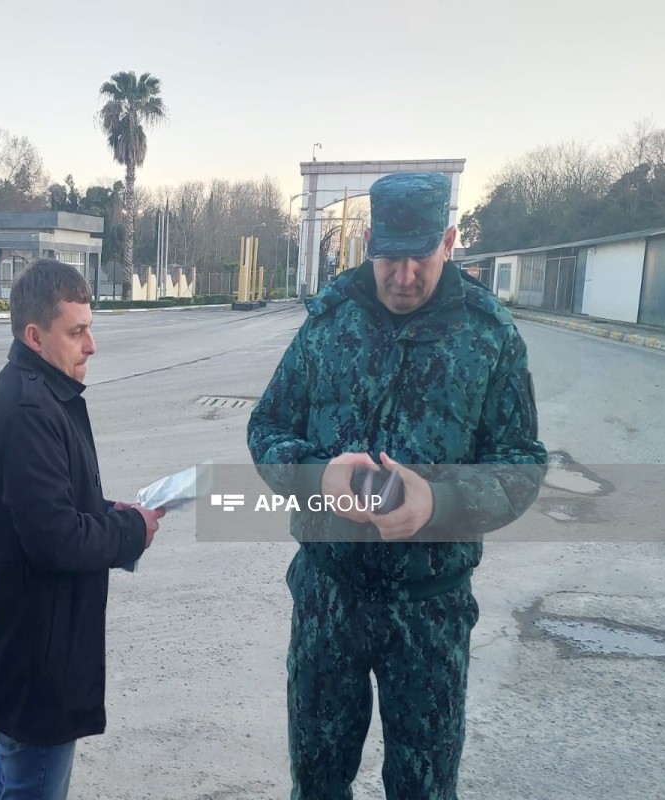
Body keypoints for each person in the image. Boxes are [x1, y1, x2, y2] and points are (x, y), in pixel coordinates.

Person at [247, 172, 547, 799]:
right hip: (330, 601)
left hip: (430, 611)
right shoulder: (328, 324)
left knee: (425, 789)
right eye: (390, 257)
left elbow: (520, 465)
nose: (403, 275)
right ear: (367, 241)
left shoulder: (490, 337)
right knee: (318, 783)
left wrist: (439, 502)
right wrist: (313, 476)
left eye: (419, 257)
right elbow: (268, 424)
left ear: (449, 240)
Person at [0, 258, 166, 800]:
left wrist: (108, 511)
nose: (91, 345)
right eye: (76, 332)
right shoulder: (30, 409)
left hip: (30, 648)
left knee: (13, 772)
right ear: (35, 336)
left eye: (90, 328)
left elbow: (47, 502)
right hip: (38, 661)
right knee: (30, 780)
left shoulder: (39, 393)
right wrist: (129, 532)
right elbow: (53, 537)